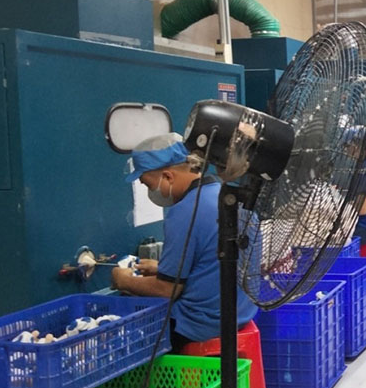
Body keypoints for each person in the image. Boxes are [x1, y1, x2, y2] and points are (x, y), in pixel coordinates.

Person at [110, 133, 258, 351]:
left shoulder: (184, 211)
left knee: (123, 335)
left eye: (148, 185)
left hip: (200, 326)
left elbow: (166, 290)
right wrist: (162, 269)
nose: (151, 192)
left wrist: (123, 280)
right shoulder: (229, 197)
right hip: (241, 314)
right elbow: (212, 266)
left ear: (168, 177)